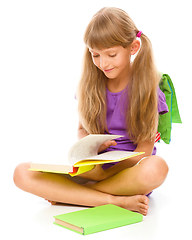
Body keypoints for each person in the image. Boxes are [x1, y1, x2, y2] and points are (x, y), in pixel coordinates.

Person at [13, 7, 169, 216]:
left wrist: (106, 174)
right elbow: (81, 130)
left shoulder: (148, 90)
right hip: (93, 169)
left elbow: (143, 153)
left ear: (133, 47)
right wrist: (92, 144)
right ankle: (112, 201)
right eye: (96, 55)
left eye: (111, 55)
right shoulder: (89, 86)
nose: (103, 63)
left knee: (157, 167)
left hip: (128, 173)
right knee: (22, 173)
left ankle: (75, 195)